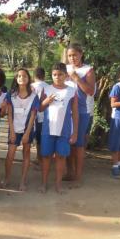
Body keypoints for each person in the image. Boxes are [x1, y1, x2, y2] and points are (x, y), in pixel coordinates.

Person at [39, 63, 78, 194]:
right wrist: (45, 102)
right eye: (55, 74)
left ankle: (58, 184)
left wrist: (75, 132)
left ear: (66, 76)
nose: (57, 77)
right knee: (46, 156)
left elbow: (75, 113)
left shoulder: (72, 91)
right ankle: (44, 183)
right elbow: (40, 107)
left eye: (60, 74)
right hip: (47, 129)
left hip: (64, 130)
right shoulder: (47, 89)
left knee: (61, 156)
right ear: (51, 75)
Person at [4, 68, 39, 191]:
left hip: (27, 130)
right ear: (16, 78)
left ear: (29, 79)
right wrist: (12, 132)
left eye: (24, 76)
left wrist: (27, 133)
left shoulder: (34, 96)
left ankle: (22, 181)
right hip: (14, 129)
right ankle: (7, 178)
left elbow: (33, 115)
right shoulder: (11, 94)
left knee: (26, 154)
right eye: (19, 76)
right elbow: (9, 114)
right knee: (10, 154)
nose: (21, 78)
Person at [65, 44, 95, 188]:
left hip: (83, 111)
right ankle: (69, 172)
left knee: (79, 144)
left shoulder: (88, 70)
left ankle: (78, 176)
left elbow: (90, 91)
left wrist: (76, 78)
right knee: (69, 142)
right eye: (70, 56)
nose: (72, 58)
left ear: (81, 54)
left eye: (75, 55)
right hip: (66, 110)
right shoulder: (65, 68)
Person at [31, 67, 49, 165]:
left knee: (38, 138)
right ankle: (44, 158)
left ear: (34, 76)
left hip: (34, 116)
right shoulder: (48, 86)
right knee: (43, 137)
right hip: (45, 116)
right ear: (44, 76)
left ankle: (39, 158)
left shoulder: (31, 86)